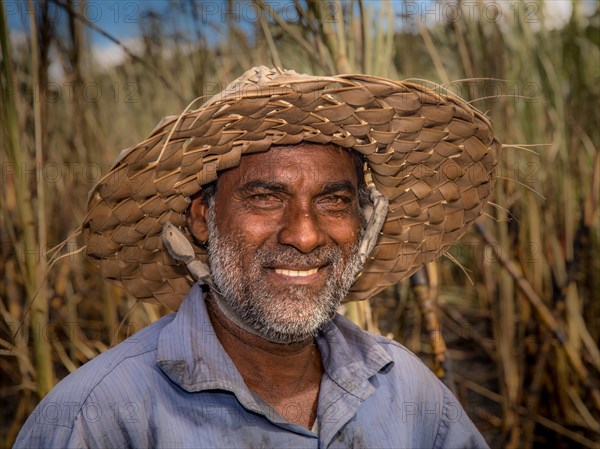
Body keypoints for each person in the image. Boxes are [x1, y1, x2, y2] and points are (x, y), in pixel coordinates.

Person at [15, 67, 500, 448]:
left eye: (333, 201)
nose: (305, 237)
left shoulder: (408, 391)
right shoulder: (101, 417)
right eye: (266, 197)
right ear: (202, 220)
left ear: (364, 224)